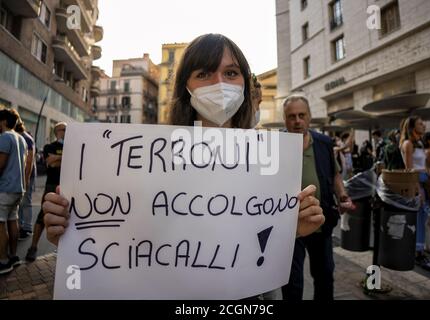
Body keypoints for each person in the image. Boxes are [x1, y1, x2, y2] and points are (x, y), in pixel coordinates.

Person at [41, 34, 325, 297]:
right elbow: (127, 236)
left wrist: (293, 228)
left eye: (231, 72)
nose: (219, 83)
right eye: (203, 73)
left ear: (244, 84)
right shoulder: (151, 159)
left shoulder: (268, 157)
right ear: (185, 86)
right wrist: (71, 232)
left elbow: (260, 233)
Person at [281, 94, 352, 300]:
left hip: (321, 223)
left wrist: (343, 194)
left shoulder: (324, 143)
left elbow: (334, 174)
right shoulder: (275, 145)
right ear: (285, 119)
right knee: (292, 282)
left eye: (301, 115)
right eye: (291, 116)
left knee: (324, 275)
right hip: (290, 228)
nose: (297, 121)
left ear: (309, 116)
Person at [25, 122, 66, 262]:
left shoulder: (71, 145)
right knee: (43, 216)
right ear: (57, 132)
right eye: (64, 130)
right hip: (51, 185)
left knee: (66, 217)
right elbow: (51, 162)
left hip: (68, 186)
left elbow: (57, 161)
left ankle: (63, 248)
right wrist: (66, 158)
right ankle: (33, 247)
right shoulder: (50, 147)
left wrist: (58, 158)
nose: (66, 132)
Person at [400, 116, 430, 270]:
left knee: (424, 218)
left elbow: (426, 167)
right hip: (417, 185)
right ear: (413, 127)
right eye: (420, 123)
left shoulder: (419, 143)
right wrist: (417, 190)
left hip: (425, 184)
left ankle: (417, 251)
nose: (424, 125)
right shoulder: (407, 144)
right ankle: (419, 254)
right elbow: (409, 170)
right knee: (419, 220)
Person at [0, 108, 27, 274]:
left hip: (5, 188)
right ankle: (13, 257)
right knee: (12, 220)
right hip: (18, 189)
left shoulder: (4, 137)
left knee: (0, 223)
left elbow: (0, 164)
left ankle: (3, 261)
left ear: (3, 121)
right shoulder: (21, 139)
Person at [14, 119, 36, 240]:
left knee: (26, 202)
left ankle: (27, 228)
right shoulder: (21, 137)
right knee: (22, 202)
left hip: (28, 175)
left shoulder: (26, 138)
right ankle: (22, 226)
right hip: (23, 175)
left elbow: (30, 161)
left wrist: (26, 178)